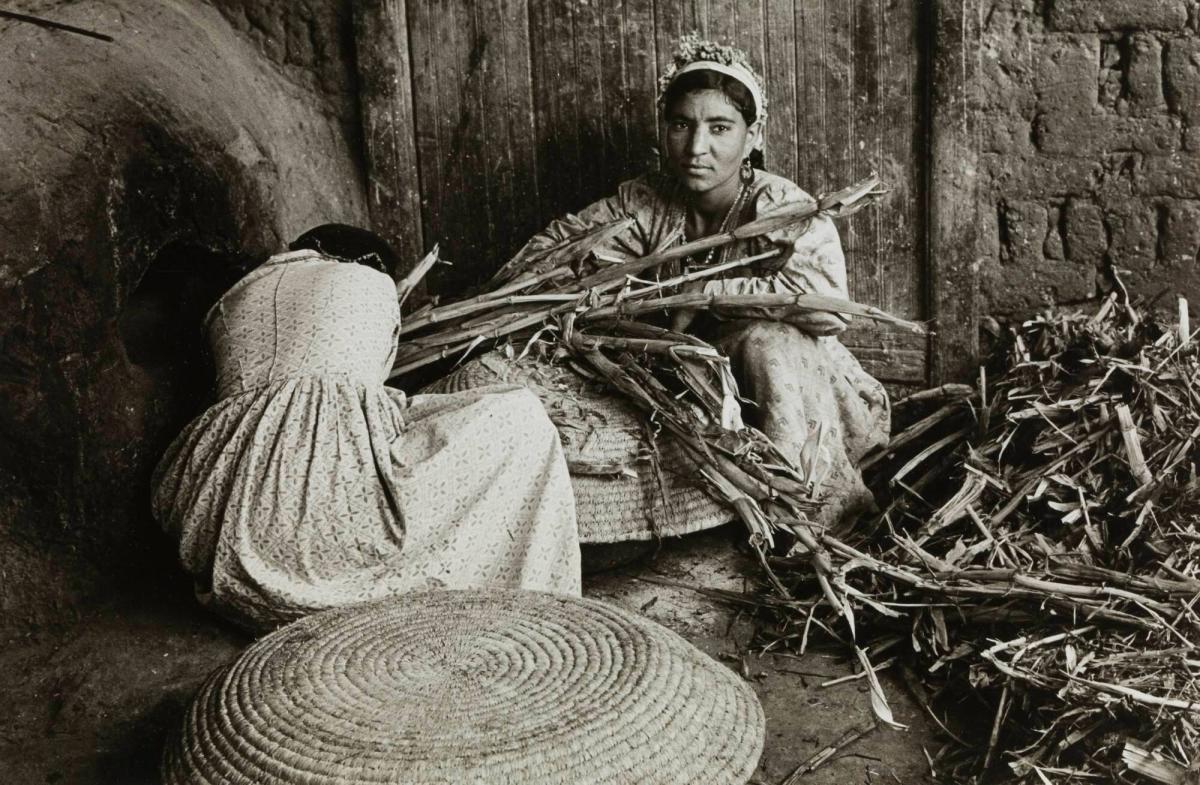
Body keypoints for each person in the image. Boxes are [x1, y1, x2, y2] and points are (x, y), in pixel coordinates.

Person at [494, 35, 889, 532]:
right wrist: (598, 284)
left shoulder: (784, 211)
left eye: (719, 127)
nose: (696, 147)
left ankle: (814, 515)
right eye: (681, 125)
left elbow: (831, 311)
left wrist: (708, 296)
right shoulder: (649, 202)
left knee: (765, 340)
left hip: (795, 393)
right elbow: (552, 250)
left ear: (754, 135)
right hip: (699, 388)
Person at [152, 224, 581, 632]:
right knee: (519, 415)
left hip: (214, 513)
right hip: (314, 532)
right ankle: (540, 615)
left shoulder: (237, 295)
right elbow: (354, 409)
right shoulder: (369, 285)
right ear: (370, 261)